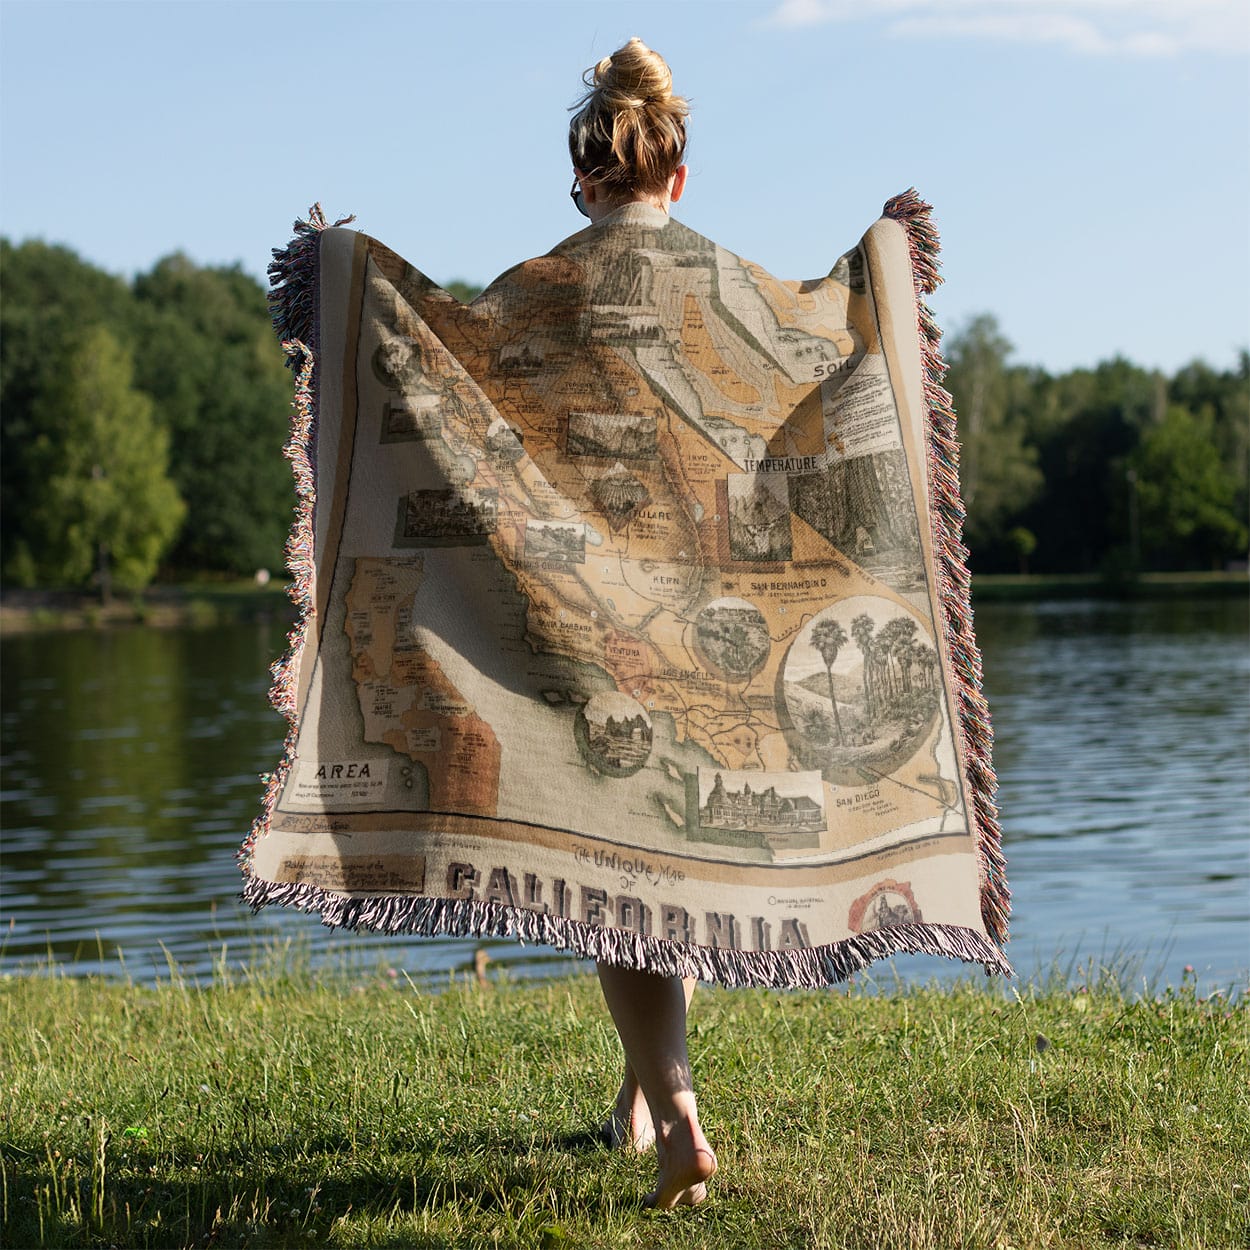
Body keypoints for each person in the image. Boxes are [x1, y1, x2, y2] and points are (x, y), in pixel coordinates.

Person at [565, 37, 717, 1212]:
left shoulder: (543, 285)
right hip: (711, 624)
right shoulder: (725, 285)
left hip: (586, 619)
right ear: (676, 174)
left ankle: (676, 1117)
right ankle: (633, 1099)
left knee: (614, 883)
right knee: (663, 865)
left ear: (583, 180)